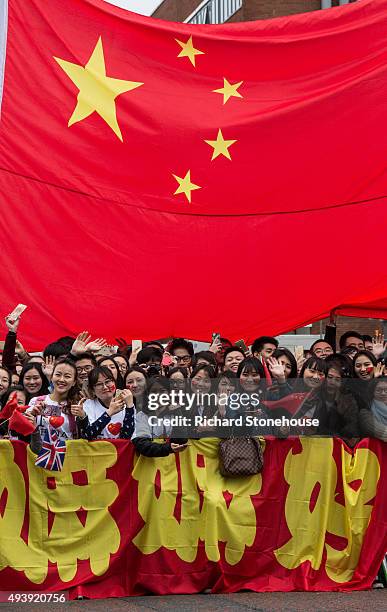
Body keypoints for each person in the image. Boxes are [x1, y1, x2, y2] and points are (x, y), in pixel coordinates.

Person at [27, 358, 80, 446]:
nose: (61, 379)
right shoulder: (36, 401)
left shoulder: (76, 406)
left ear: (74, 382)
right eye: (58, 374)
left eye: (67, 376)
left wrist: (82, 416)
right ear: (51, 377)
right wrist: (32, 414)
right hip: (38, 455)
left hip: (65, 455)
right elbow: (23, 429)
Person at [74, 366, 135, 440]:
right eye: (99, 384)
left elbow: (126, 437)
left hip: (119, 450)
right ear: (92, 390)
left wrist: (130, 408)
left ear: (114, 383)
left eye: (108, 381)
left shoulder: (126, 404)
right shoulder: (87, 405)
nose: (105, 387)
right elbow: (87, 435)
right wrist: (109, 413)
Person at [132, 376, 188, 456]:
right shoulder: (141, 416)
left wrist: (177, 412)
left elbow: (181, 439)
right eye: (154, 392)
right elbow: (142, 445)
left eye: (162, 391)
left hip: (172, 466)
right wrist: (167, 448)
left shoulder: (176, 413)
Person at [359, 377, 387, 441]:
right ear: (372, 392)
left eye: (386, 390)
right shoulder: (365, 412)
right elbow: (383, 433)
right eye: (379, 390)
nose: (383, 393)